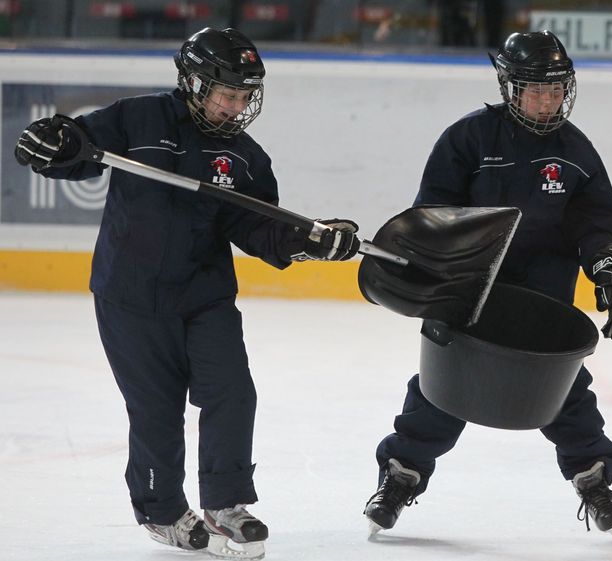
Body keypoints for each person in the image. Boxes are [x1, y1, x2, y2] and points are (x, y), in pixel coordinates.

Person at [14, 27, 359, 560]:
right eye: (226, 93)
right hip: (130, 296)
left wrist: (309, 239)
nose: (235, 106)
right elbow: (75, 150)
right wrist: (51, 143)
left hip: (205, 297)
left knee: (232, 391)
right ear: (193, 83)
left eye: (245, 96)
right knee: (155, 409)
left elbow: (259, 227)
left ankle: (226, 503)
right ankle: (162, 510)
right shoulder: (140, 118)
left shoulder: (244, 158)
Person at [363, 30, 612, 541]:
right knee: (443, 390)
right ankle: (401, 475)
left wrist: (610, 270)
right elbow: (432, 216)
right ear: (510, 87)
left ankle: (594, 480)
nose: (547, 101)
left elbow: (595, 226)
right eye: (536, 90)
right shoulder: (468, 140)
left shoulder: (576, 152)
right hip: (470, 291)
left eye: (556, 90)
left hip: (543, 297)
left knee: (565, 392)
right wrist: (428, 270)